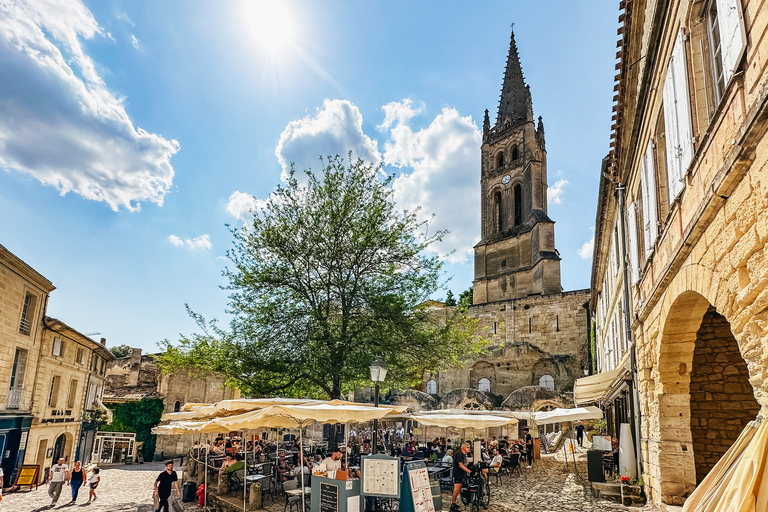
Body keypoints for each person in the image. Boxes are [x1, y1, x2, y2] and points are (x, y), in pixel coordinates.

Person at [451, 442, 472, 512]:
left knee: (458, 489)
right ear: (464, 447)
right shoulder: (459, 454)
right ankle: (453, 505)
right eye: (468, 447)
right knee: (456, 489)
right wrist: (468, 471)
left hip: (461, 474)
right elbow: (460, 465)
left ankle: (455, 503)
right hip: (458, 473)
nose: (469, 449)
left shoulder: (463, 454)